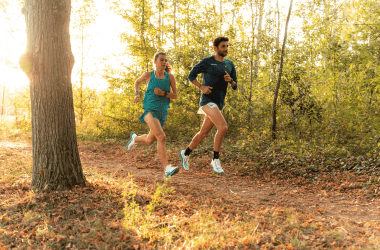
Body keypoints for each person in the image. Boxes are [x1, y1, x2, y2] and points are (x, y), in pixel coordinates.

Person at [179, 36, 237, 174]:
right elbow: (191, 75)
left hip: (219, 104)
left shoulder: (230, 64)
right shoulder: (207, 62)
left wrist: (231, 81)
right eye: (223, 46)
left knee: (203, 133)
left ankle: (185, 153)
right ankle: (215, 159)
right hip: (207, 102)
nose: (226, 49)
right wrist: (201, 87)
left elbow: (235, 86)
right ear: (215, 48)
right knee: (223, 127)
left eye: (227, 46)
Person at [127, 51, 179, 178]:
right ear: (155, 62)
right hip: (149, 110)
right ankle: (167, 168)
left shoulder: (170, 77)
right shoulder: (148, 75)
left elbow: (175, 96)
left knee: (150, 140)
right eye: (161, 60)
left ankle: (135, 138)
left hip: (163, 111)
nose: (164, 62)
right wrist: (137, 94)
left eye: (165, 60)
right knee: (161, 137)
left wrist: (163, 94)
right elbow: (137, 82)